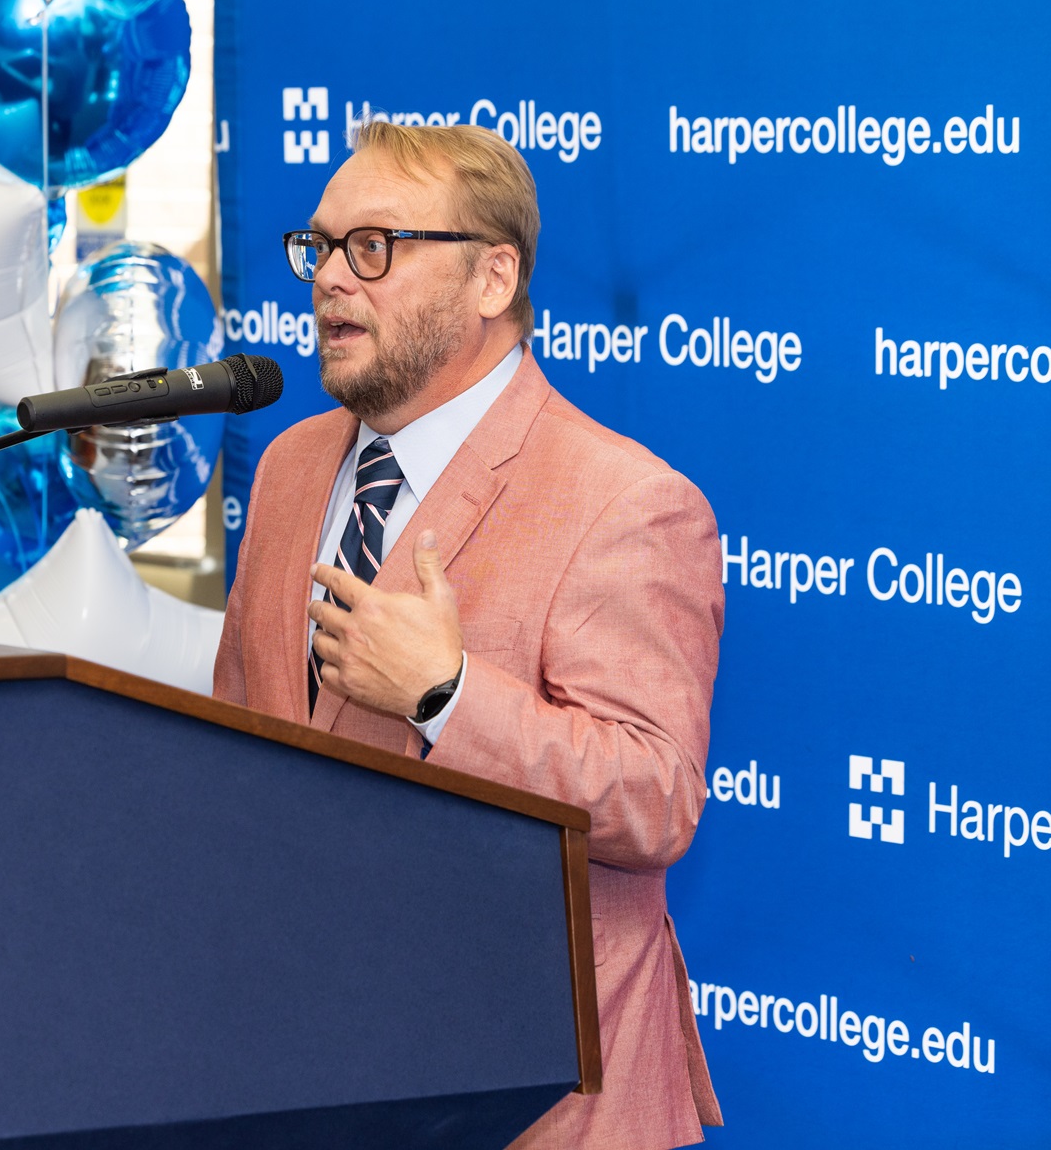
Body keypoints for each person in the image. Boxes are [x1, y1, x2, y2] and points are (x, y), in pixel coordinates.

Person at [213, 122, 725, 1149]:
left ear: (494, 277)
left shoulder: (627, 501)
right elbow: (238, 739)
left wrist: (446, 694)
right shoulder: (288, 466)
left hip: (528, 1102)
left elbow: (655, 796)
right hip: (304, 1068)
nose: (329, 282)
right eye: (318, 248)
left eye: (375, 248)